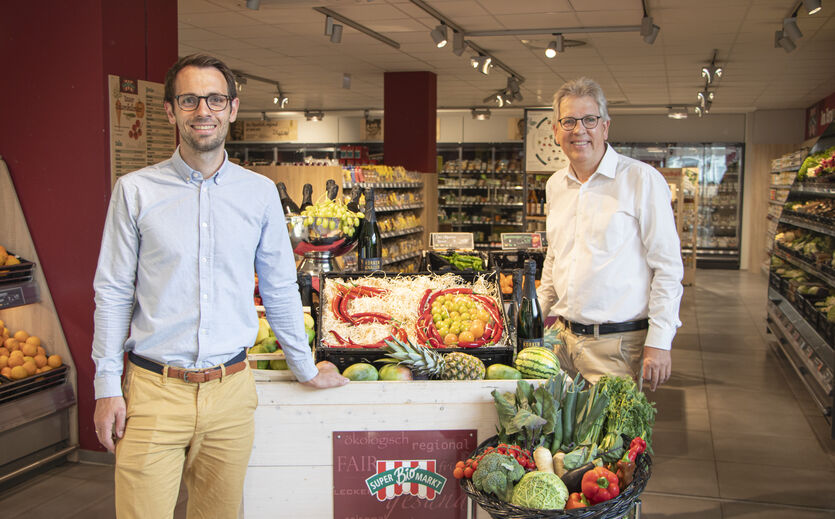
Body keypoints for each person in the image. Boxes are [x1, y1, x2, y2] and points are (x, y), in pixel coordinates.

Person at [91, 54, 348, 518]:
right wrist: (107, 385)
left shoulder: (259, 193)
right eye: (189, 100)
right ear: (170, 111)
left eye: (214, 99)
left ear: (232, 108)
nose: (202, 111)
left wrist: (304, 366)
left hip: (230, 392)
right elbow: (112, 293)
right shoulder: (135, 191)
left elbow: (280, 288)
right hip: (153, 391)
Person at [537, 77, 683, 391]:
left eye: (589, 120)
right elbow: (554, 259)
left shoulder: (641, 180)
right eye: (569, 121)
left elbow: (667, 267)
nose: (579, 130)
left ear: (605, 127)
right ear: (556, 130)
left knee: (610, 439)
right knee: (555, 438)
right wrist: (534, 314)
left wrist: (660, 340)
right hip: (560, 343)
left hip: (617, 347)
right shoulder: (555, 186)